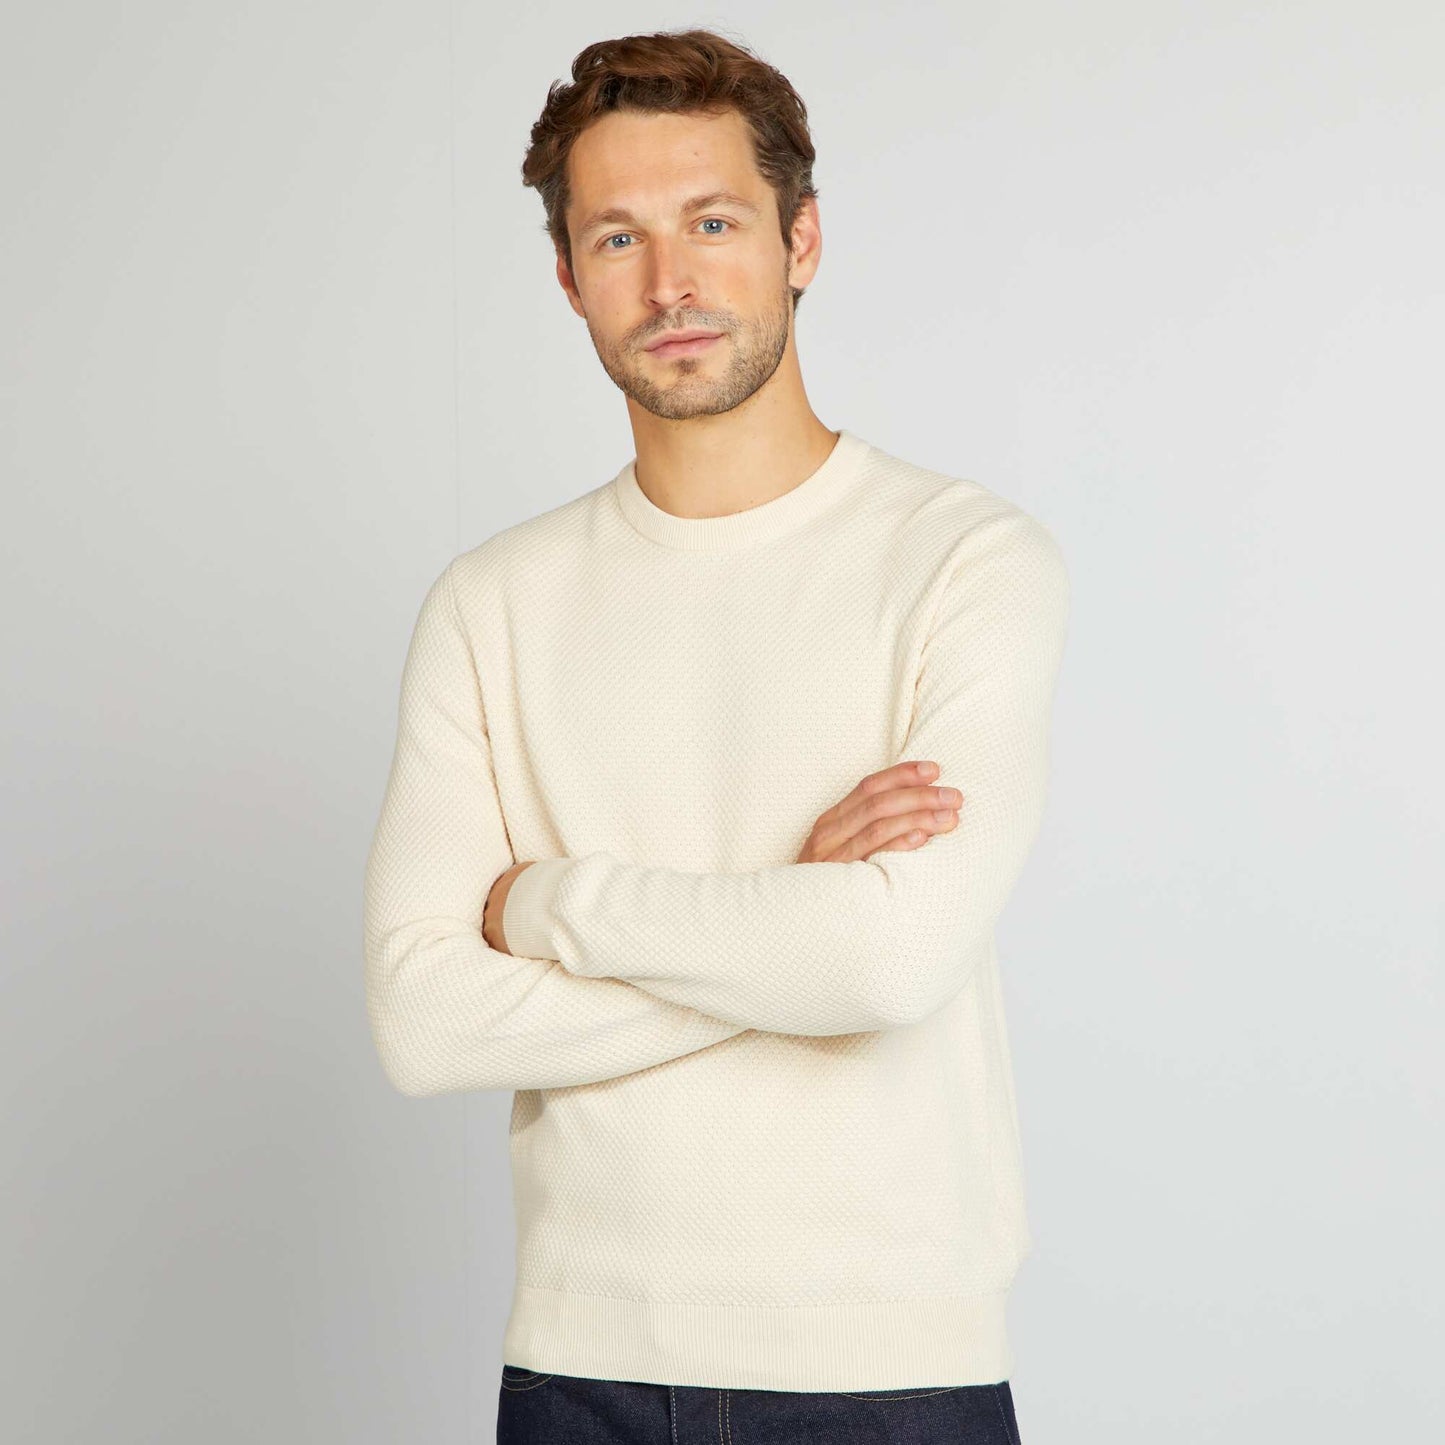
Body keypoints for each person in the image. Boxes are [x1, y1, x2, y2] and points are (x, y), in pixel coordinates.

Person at [363, 26, 1067, 1445]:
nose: (669, 282)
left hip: (892, 1370)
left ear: (801, 240)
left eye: (713, 222)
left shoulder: (963, 558)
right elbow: (424, 1022)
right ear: (568, 278)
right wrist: (789, 915)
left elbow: (886, 959)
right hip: (579, 1367)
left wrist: (547, 906)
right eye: (617, 237)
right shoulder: (491, 603)